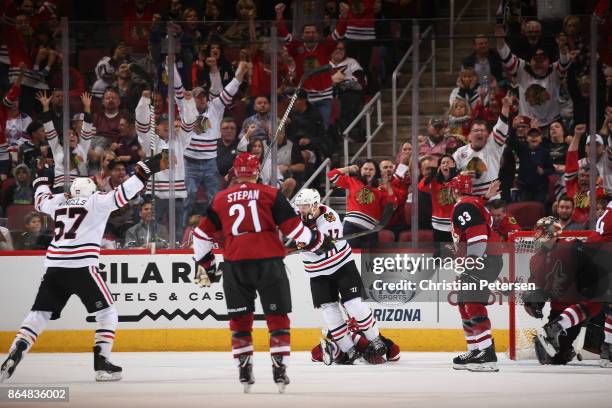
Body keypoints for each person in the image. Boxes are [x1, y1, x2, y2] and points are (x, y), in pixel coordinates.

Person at [0, 150, 169, 382]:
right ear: (91, 191)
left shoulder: (59, 203)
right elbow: (123, 193)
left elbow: (40, 199)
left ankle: (16, 350)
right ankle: (102, 364)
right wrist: (145, 169)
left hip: (54, 267)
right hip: (82, 266)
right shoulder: (96, 201)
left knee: (40, 313)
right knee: (107, 313)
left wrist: (41, 175)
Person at [192, 152, 330, 393]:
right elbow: (295, 229)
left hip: (235, 265)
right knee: (277, 318)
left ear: (235, 173)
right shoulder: (270, 194)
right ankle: (280, 369)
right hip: (269, 263)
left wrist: (207, 265)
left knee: (240, 319)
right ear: (257, 172)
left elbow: (201, 235)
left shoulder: (220, 199)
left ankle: (244, 369)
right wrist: (318, 241)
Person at [294, 189, 390, 365]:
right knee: (329, 310)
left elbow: (320, 247)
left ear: (315, 205)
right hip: (317, 272)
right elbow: (308, 243)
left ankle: (376, 339)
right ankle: (349, 350)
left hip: (341, 266)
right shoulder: (295, 217)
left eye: (305, 206)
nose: (302, 209)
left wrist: (315, 241)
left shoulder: (330, 217)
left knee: (355, 305)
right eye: (300, 206)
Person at [523, 217, 603, 365]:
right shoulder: (539, 258)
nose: (539, 233)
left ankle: (556, 329)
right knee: (557, 357)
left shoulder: (567, 247)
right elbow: (534, 290)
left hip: (572, 306)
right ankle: (557, 330)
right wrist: (532, 303)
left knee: (597, 305)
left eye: (541, 230)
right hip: (573, 308)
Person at [182, 61, 247, 227]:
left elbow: (229, 91)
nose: (202, 99)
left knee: (216, 196)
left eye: (204, 96)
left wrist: (239, 74)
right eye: (198, 97)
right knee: (188, 195)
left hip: (210, 162)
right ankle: (182, 230)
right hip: (190, 162)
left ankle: (214, 227)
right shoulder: (187, 110)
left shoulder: (215, 107)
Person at [449, 173, 503, 372]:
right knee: (464, 303)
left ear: (454, 190)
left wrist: (472, 262)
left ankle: (487, 354)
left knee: (472, 302)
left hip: (482, 260)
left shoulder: (463, 206)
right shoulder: (472, 203)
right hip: (481, 259)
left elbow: (477, 233)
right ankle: (474, 350)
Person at [453, 93, 512, 199]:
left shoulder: (494, 146)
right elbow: (450, 173)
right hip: (469, 198)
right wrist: (461, 174)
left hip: (492, 199)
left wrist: (506, 107)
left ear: (487, 135)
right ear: (469, 136)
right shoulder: (460, 153)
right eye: (475, 130)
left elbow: (501, 125)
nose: (479, 133)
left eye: (482, 130)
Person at [327, 160, 396, 248]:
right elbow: (331, 175)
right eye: (365, 169)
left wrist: (388, 184)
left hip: (370, 229)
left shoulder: (381, 188)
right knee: (350, 256)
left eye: (371, 169)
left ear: (375, 173)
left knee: (368, 260)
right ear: (361, 171)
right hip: (351, 225)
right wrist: (349, 168)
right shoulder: (352, 181)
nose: (368, 171)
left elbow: (392, 205)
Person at [37, 91, 94, 192]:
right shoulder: (57, 148)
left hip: (78, 190)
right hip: (60, 189)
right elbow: (49, 127)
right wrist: (45, 107)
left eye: (73, 135)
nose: (71, 136)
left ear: (77, 138)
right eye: (68, 135)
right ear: (62, 140)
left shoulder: (82, 148)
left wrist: (87, 107)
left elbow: (87, 127)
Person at [310, 316, 401, 364]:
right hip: (354, 353)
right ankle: (334, 350)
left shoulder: (345, 331)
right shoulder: (372, 333)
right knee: (343, 344)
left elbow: (314, 355)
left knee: (342, 343)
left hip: (356, 351)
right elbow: (395, 354)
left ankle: (334, 350)